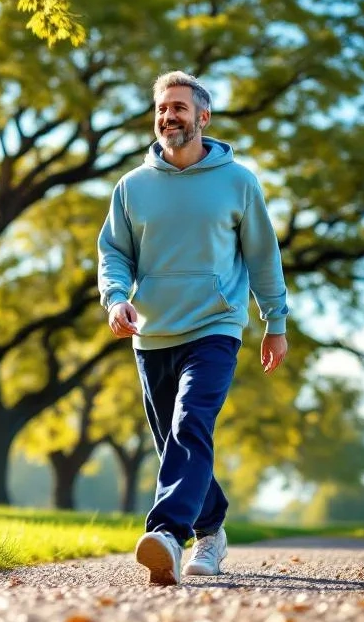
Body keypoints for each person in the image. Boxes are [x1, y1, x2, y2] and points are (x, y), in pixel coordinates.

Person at [96, 71, 290, 585]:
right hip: (153, 330)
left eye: (179, 108)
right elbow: (114, 253)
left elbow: (263, 255)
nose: (169, 117)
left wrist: (275, 320)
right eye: (162, 108)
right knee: (173, 441)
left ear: (203, 117)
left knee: (189, 424)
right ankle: (212, 530)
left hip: (216, 325)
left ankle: (166, 534)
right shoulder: (131, 187)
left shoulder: (238, 182)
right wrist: (116, 298)